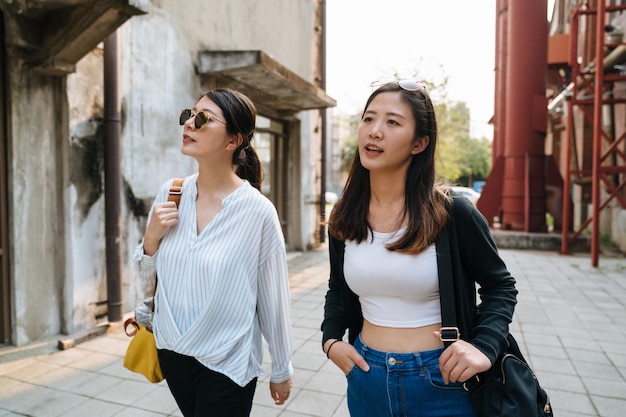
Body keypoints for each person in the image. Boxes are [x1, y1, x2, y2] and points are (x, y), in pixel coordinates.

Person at [321, 80, 518, 417]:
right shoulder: (345, 216)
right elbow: (338, 292)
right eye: (368, 119)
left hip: (442, 378)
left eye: (393, 122)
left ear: (419, 143)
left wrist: (484, 346)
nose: (375, 131)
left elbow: (500, 286)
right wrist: (331, 341)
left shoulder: (452, 212)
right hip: (367, 376)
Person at [134, 88, 293, 417]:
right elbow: (149, 283)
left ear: (233, 140)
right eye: (189, 115)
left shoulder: (257, 212)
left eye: (203, 118)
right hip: (173, 351)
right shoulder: (172, 192)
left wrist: (281, 368)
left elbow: (273, 298)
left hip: (228, 361)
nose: (190, 123)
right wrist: (150, 239)